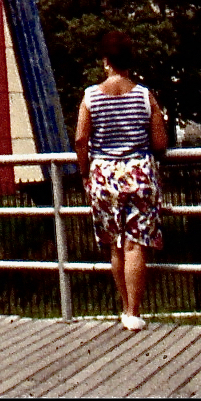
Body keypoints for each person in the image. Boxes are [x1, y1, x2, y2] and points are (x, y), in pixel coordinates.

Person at [73, 30, 167, 331]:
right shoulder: (144, 95)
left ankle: (123, 306)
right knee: (136, 243)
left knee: (115, 243)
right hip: (138, 172)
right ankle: (134, 312)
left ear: (106, 62)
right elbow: (160, 142)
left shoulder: (90, 96)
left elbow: (80, 139)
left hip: (104, 175)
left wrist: (85, 172)